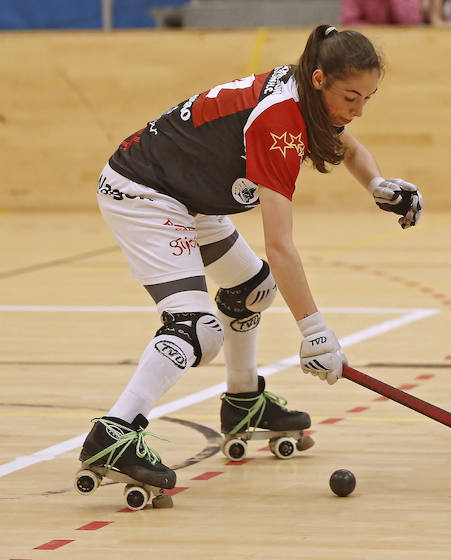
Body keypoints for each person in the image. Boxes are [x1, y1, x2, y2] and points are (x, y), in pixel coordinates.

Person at [78, 25, 424, 498]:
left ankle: (243, 402)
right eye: (352, 96)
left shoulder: (308, 92)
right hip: (146, 193)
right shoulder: (279, 120)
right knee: (197, 329)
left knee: (252, 289)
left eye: (368, 98)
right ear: (320, 79)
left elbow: (347, 146)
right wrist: (315, 331)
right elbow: (279, 244)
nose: (358, 110)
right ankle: (113, 434)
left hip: (188, 195)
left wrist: (377, 184)